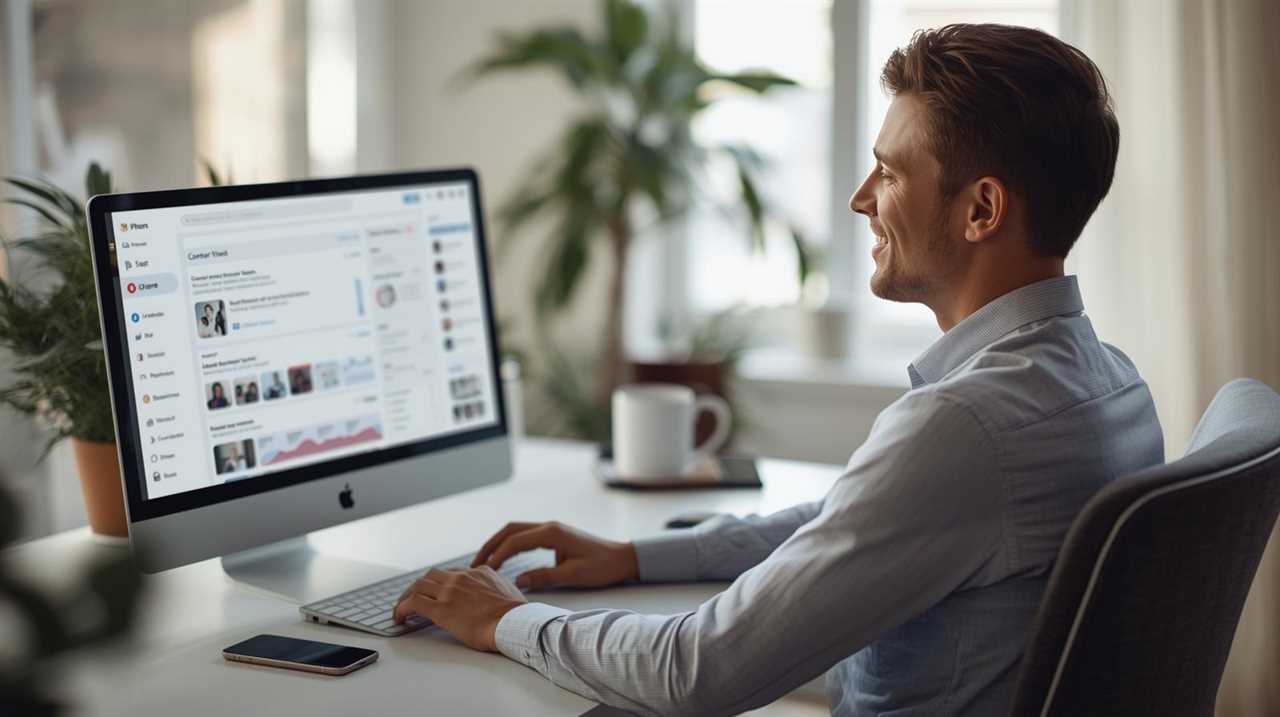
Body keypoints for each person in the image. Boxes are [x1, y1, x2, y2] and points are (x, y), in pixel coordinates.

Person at [391, 24, 1164, 717]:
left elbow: (699, 671)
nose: (862, 199)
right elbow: (850, 520)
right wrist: (635, 557)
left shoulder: (968, 428)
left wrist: (504, 618)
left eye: (889, 174)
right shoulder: (1108, 381)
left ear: (981, 210)